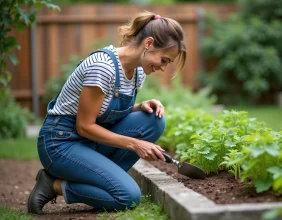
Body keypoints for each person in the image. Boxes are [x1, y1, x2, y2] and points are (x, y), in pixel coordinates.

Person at [27, 11, 186, 215]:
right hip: (61, 143)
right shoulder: (103, 66)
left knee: (154, 121)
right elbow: (84, 125)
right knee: (128, 197)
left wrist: (139, 106)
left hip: (89, 142)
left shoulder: (138, 71)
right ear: (148, 43)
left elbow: (106, 107)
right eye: (164, 60)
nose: (163, 68)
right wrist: (135, 144)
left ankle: (101, 181)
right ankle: (53, 184)